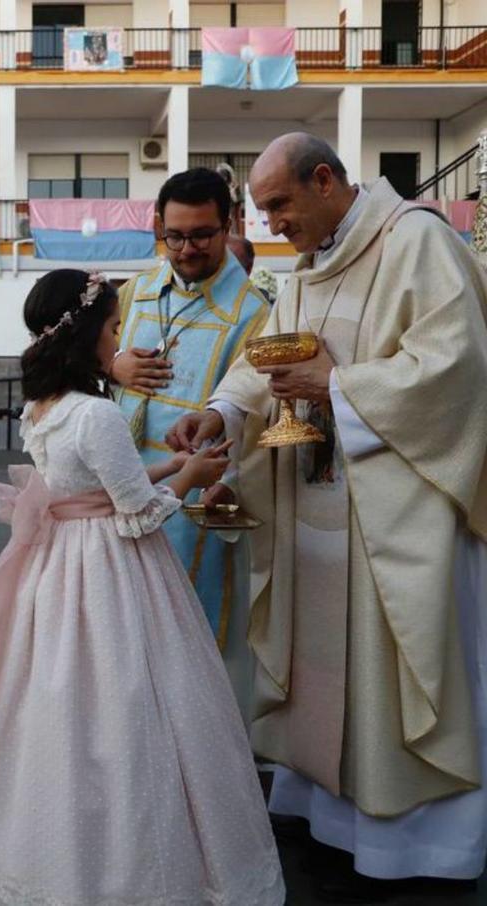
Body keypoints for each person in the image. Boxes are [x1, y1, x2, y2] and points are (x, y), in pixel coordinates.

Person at [168, 133, 487, 899]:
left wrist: (338, 387)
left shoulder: (416, 242)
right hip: (320, 503)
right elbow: (268, 356)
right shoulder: (312, 263)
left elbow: (457, 368)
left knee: (394, 674)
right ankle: (326, 810)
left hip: (396, 512)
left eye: (280, 204)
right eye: (264, 211)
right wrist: (221, 411)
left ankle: (417, 843)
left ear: (324, 180)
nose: (273, 224)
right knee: (323, 674)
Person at [0, 269, 284, 905]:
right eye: (115, 328)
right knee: (129, 705)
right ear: (89, 331)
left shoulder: (42, 408)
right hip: (109, 573)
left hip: (56, 565)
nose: (119, 341)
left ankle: (46, 858)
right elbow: (136, 515)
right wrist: (192, 477)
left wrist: (170, 464)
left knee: (55, 707)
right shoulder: (97, 413)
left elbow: (87, 485)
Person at [108, 168, 271, 716]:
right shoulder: (135, 293)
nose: (185, 250)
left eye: (201, 235)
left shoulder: (254, 312)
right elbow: (84, 359)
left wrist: (226, 456)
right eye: (173, 236)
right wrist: (113, 365)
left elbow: (258, 403)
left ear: (228, 225)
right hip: (121, 488)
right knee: (121, 632)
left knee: (189, 640)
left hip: (195, 498)